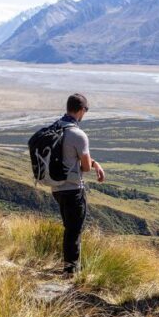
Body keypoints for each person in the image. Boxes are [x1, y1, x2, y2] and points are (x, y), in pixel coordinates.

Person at [51, 93, 105, 275]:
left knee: (69, 228)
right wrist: (92, 164)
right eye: (86, 111)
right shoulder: (78, 134)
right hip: (73, 188)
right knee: (74, 230)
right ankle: (71, 270)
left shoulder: (56, 128)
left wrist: (95, 162)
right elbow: (85, 166)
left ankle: (70, 267)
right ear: (81, 110)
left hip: (56, 187)